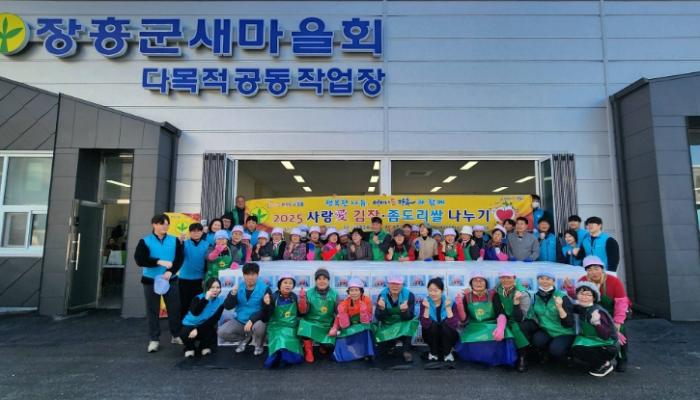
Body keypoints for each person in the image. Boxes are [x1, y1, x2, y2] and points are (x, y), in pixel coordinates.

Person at [564, 255, 630, 372]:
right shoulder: (583, 280)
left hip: (611, 314)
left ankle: (622, 359)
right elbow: (578, 296)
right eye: (589, 269)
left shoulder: (613, 281)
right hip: (592, 313)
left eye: (596, 268)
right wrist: (570, 289)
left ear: (602, 268)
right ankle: (601, 359)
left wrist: (617, 322)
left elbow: (621, 302)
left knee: (620, 333)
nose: (593, 272)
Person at [134, 214, 185, 353]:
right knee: (153, 310)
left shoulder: (174, 240)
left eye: (167, 224)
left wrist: (171, 271)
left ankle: (176, 335)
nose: (165, 226)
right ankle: (154, 339)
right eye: (162, 223)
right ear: (154, 224)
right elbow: (139, 260)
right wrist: (158, 261)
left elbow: (180, 258)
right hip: (150, 281)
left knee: (174, 309)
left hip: (170, 280)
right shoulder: (145, 241)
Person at [454, 271, 518, 367]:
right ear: (471, 283)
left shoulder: (493, 295)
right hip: (474, 326)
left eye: (481, 281)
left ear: (486, 283)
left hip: (492, 325)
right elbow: (464, 319)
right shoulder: (467, 297)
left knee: (498, 340)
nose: (478, 283)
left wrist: (500, 328)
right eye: (475, 281)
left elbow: (500, 313)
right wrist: (460, 306)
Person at [218, 262, 271, 356]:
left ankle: (259, 345)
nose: (250, 277)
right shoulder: (238, 287)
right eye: (247, 274)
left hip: (257, 321)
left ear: (257, 274)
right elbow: (227, 306)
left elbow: (266, 312)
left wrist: (252, 320)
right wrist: (232, 294)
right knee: (222, 332)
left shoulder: (265, 289)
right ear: (243, 275)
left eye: (253, 274)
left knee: (260, 326)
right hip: (240, 321)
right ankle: (246, 339)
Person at [523, 270, 575, 364]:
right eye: (541, 278)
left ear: (553, 281)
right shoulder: (536, 296)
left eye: (548, 279)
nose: (544, 281)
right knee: (536, 341)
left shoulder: (562, 297)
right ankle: (545, 352)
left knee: (556, 350)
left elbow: (569, 323)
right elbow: (532, 314)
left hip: (563, 332)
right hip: (546, 330)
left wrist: (560, 308)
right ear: (538, 280)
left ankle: (569, 356)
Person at [571, 282, 619, 377]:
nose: (584, 297)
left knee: (578, 348)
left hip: (607, 345)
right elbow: (572, 307)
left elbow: (606, 335)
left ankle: (604, 365)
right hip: (594, 340)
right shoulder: (583, 308)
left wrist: (597, 323)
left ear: (594, 297)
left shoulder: (597, 311)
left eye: (588, 294)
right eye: (581, 293)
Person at [262, 274, 306, 369]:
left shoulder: (294, 297)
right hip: (276, 326)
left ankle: (285, 358)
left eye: (290, 283)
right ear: (279, 285)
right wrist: (267, 305)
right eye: (285, 282)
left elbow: (299, 314)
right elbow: (267, 315)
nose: (288, 285)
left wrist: (303, 302)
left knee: (294, 348)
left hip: (291, 327)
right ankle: (278, 358)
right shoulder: (273, 297)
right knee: (281, 340)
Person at [180, 277, 230, 358]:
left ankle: (203, 346)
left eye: (218, 287)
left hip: (204, 325)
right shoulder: (198, 298)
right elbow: (195, 312)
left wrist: (197, 329)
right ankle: (190, 348)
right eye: (212, 287)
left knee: (210, 330)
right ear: (207, 288)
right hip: (190, 324)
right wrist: (206, 299)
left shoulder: (220, 302)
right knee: (184, 333)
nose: (215, 290)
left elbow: (214, 319)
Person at [329, 278, 375, 362]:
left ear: (361, 291)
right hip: (350, 327)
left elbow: (368, 320)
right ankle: (346, 355)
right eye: (351, 290)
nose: (354, 293)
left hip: (363, 325)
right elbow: (343, 323)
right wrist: (335, 327)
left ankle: (367, 353)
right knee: (342, 336)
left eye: (356, 290)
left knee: (367, 330)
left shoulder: (367, 300)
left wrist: (363, 311)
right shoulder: (345, 302)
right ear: (348, 292)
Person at [298, 268, 338, 363]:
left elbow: (338, 313)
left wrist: (335, 327)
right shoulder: (309, 293)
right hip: (311, 323)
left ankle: (322, 345)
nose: (322, 281)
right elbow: (303, 312)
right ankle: (309, 352)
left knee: (329, 346)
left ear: (328, 280)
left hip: (326, 324)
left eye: (324, 279)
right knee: (304, 326)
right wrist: (302, 301)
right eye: (319, 279)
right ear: (315, 281)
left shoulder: (334, 294)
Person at [374, 275, 418, 363]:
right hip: (388, 324)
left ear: (402, 285)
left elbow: (410, 316)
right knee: (383, 348)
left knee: (411, 323)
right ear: (388, 284)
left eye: (398, 284)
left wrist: (404, 311)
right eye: (392, 283)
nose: (395, 286)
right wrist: (382, 309)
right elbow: (378, 316)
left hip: (403, 324)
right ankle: (391, 346)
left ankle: (406, 351)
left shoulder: (409, 295)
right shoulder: (382, 296)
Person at [494, 270, 531, 372]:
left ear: (514, 279)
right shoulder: (497, 291)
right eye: (503, 277)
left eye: (509, 277)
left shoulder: (523, 294)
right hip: (507, 317)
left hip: (524, 318)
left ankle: (522, 357)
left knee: (517, 328)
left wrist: (516, 303)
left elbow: (520, 317)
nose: (506, 280)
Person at [419, 277, 459, 362]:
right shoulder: (425, 303)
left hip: (448, 337)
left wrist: (448, 308)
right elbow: (425, 325)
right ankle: (433, 353)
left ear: (442, 291)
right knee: (432, 324)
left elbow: (454, 325)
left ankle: (447, 353)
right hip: (431, 336)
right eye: (430, 290)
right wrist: (427, 308)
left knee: (446, 324)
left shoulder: (451, 302)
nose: (433, 293)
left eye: (436, 290)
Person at [178, 223, 209, 320]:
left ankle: (196, 325)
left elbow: (208, 262)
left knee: (198, 304)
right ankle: (183, 325)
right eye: (193, 231)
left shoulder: (207, 244)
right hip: (184, 279)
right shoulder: (184, 243)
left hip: (200, 280)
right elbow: (177, 254)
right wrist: (179, 243)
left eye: (198, 231)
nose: (196, 233)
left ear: (202, 232)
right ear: (189, 232)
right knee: (184, 303)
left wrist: (205, 277)